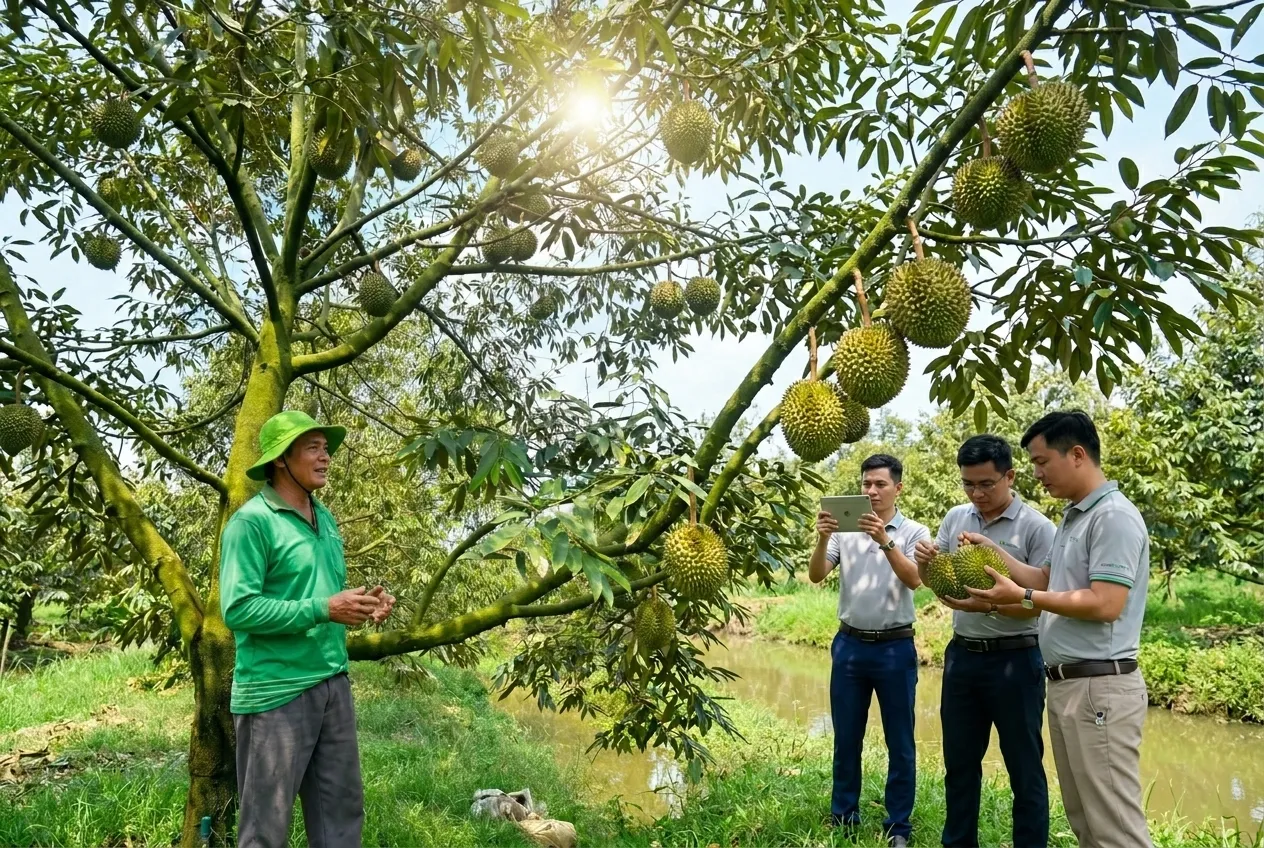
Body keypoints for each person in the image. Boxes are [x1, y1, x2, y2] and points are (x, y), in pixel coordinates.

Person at [965, 411, 1153, 848]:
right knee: (1086, 819)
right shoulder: (1076, 517)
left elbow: (1106, 604)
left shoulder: (1113, 518)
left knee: (1115, 827)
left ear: (1078, 454)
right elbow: (1047, 580)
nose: (1036, 473)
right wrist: (994, 551)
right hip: (1070, 686)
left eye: (1042, 461)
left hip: (1100, 687)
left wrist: (1022, 599)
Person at [219, 410, 397, 848]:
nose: (326, 457)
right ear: (282, 459)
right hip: (275, 692)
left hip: (332, 683)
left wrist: (362, 604)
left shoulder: (325, 518)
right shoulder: (252, 523)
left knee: (341, 813)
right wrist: (323, 608)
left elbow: (321, 594)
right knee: (265, 828)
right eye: (313, 448)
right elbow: (239, 609)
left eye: (326, 448)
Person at [913, 435, 1055, 848]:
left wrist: (988, 608)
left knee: (1024, 767)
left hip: (1017, 661)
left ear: (1009, 476)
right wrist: (925, 566)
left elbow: (1039, 605)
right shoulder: (956, 519)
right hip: (963, 660)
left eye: (987, 484)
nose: (977, 494)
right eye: (968, 484)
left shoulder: (1037, 528)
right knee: (959, 764)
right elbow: (940, 585)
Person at [810, 454, 930, 848]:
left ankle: (899, 826)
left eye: (880, 484)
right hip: (849, 646)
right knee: (847, 738)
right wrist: (824, 535)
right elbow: (815, 575)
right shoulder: (845, 532)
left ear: (898, 487)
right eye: (866, 484)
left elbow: (915, 579)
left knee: (901, 740)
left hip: (895, 647)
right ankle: (844, 817)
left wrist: (885, 540)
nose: (872, 491)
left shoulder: (914, 531)